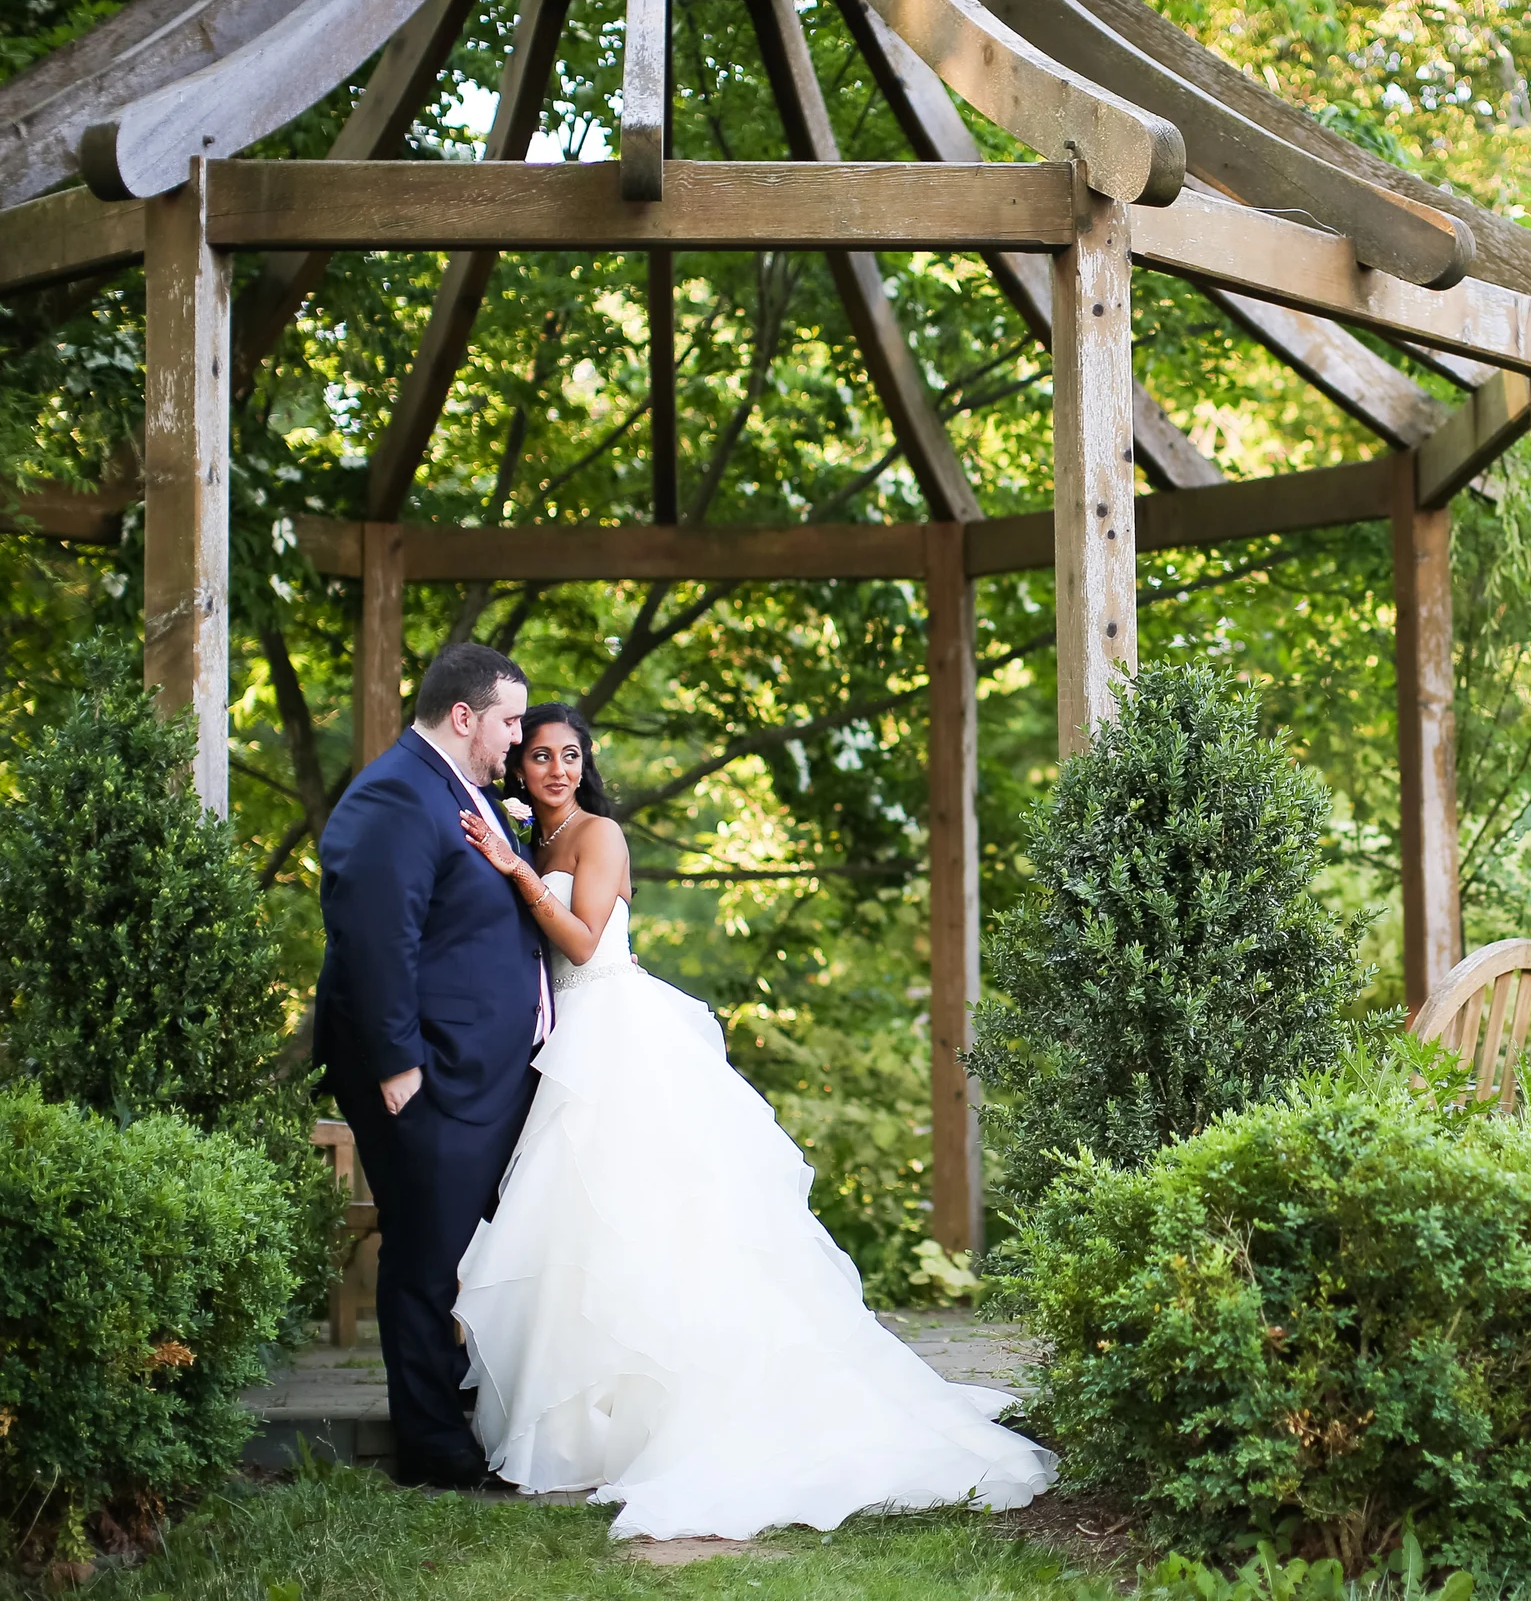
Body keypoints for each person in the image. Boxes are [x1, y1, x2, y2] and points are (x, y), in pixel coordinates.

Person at [449, 703, 1055, 1540]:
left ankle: (697, 1402)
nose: (556, 768)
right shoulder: (535, 840)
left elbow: (586, 946)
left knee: (657, 1220)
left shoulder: (596, 835)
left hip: (619, 1032)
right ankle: (593, 1421)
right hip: (571, 1044)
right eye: (541, 755)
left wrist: (515, 877)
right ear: (519, 767)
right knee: (589, 1229)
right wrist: (515, 864)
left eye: (570, 755)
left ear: (585, 766)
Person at [312, 643, 547, 1491]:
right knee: (422, 1259)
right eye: (510, 721)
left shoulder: (460, 792)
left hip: (474, 1074)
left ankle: (466, 1423)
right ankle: (435, 1451)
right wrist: (398, 1062)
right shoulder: (395, 794)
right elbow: (374, 935)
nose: (517, 738)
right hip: (426, 1075)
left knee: (457, 1252)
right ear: (464, 716)